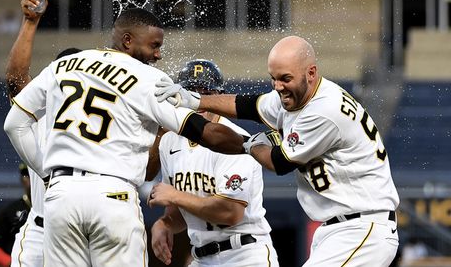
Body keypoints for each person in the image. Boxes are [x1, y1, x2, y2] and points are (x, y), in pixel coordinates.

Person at [3, 7, 245, 266]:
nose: (158, 54)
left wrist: (46, 173)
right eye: (154, 45)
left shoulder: (63, 66)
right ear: (127, 40)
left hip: (61, 198)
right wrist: (250, 144)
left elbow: (13, 124)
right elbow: (207, 132)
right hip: (112, 195)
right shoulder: (147, 78)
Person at [155, 35, 400, 266]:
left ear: (311, 73)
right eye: (273, 78)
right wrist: (195, 100)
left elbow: (279, 162)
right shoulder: (299, 95)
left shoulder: (323, 110)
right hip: (340, 227)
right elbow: (248, 105)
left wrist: (249, 144)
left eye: (285, 78)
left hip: (362, 226)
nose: (278, 86)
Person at [148, 60, 280, 267]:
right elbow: (181, 212)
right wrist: (165, 223)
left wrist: (174, 195)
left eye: (206, 92)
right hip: (201, 257)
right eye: (190, 90)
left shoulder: (234, 140)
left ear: (218, 95)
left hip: (244, 255)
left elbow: (230, 212)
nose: (197, 97)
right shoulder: (170, 141)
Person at [5, 0, 83, 267]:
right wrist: (30, 23)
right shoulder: (42, 110)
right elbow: (15, 81)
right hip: (43, 228)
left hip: (86, 229)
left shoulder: (109, 112)